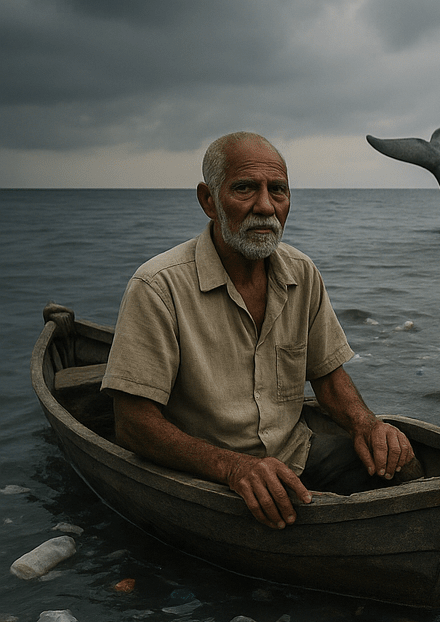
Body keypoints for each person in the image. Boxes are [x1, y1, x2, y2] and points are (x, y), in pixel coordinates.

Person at [102, 130, 415, 530]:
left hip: (295, 454)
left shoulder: (302, 273)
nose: (266, 206)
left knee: (404, 468)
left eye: (278, 190)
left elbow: (328, 377)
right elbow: (132, 424)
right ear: (209, 200)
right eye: (245, 188)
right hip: (206, 475)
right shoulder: (158, 286)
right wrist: (234, 467)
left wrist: (367, 425)